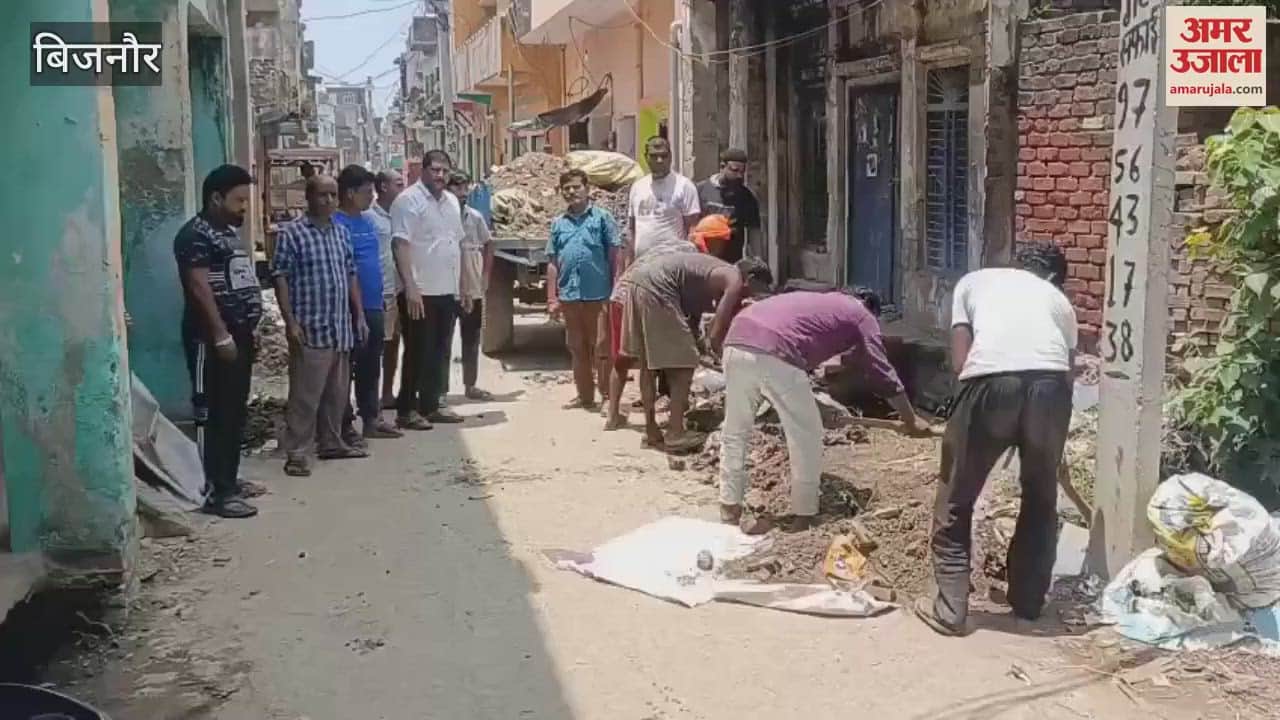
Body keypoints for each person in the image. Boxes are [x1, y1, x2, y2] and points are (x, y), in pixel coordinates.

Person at [916, 242, 1078, 637]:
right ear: (1054, 278)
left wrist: (982, 422)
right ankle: (1027, 604)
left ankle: (951, 609)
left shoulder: (975, 281)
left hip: (990, 382)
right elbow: (1066, 371)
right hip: (1051, 388)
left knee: (956, 495)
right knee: (1041, 497)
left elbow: (960, 362)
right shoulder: (1060, 302)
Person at [718, 288, 929, 533]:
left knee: (735, 430)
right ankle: (803, 517)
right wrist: (910, 419)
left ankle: (729, 506)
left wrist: (818, 406)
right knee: (806, 435)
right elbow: (880, 369)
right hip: (774, 350)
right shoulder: (862, 315)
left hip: (737, 338)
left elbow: (789, 373)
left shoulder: (821, 304)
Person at [606, 253, 772, 452]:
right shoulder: (734, 279)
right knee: (685, 365)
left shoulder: (711, 275)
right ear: (751, 279)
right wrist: (726, 361)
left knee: (648, 363)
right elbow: (715, 334)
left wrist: (697, 341)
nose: (749, 297)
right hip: (658, 287)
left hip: (638, 282)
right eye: (755, 291)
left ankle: (651, 431)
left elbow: (693, 316)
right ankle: (676, 433)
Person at [175, 164, 262, 519]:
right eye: (239, 200)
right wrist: (220, 333)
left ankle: (229, 479)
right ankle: (216, 492)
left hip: (236, 334)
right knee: (213, 412)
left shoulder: (224, 232)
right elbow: (198, 288)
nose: (244, 207)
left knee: (234, 410)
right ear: (215, 198)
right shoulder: (195, 235)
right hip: (210, 338)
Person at [271, 175, 370, 477]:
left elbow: (350, 273)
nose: (328, 201)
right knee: (305, 396)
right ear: (308, 198)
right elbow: (280, 277)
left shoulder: (341, 233)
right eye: (322, 195)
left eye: (332, 195)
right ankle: (297, 453)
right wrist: (290, 322)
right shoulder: (293, 234)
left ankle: (331, 442)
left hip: (339, 327)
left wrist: (359, 315)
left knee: (337, 394)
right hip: (310, 328)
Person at [391, 149, 466, 429]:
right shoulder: (408, 201)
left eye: (445, 171)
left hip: (445, 289)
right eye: (435, 170)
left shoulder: (450, 202)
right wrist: (410, 286)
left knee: (440, 350)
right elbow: (400, 244)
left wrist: (462, 287)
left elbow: (455, 244)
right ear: (422, 171)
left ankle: (432, 405)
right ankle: (406, 409)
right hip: (419, 291)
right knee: (417, 351)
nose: (440, 175)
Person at [335, 165, 402, 443]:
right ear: (350, 193)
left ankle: (372, 418)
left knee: (371, 365)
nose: (370, 197)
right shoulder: (337, 224)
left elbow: (378, 262)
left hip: (375, 303)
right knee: (345, 368)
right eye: (366, 192)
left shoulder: (368, 222)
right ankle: (344, 424)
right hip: (348, 308)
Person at [547, 168, 622, 410]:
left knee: (601, 348)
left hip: (598, 295)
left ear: (587, 189)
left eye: (576, 187)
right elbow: (553, 263)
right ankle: (584, 396)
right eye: (567, 188)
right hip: (570, 296)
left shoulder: (602, 218)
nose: (571, 191)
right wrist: (552, 298)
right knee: (577, 348)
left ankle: (608, 398)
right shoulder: (558, 224)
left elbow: (615, 255)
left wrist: (617, 290)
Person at [446, 171, 495, 402]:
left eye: (465, 190)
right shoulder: (441, 216)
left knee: (471, 337)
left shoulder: (474, 217)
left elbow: (488, 244)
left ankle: (470, 385)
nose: (462, 195)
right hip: (447, 287)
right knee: (443, 340)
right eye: (458, 189)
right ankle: (440, 390)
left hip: (472, 285)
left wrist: (485, 275)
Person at [368, 169, 406, 410]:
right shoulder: (370, 218)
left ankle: (387, 393)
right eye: (398, 184)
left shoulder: (401, 215)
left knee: (394, 344)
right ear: (383, 187)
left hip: (400, 289)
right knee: (376, 348)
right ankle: (370, 398)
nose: (402, 189)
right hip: (380, 291)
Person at [697, 148, 761, 263]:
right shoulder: (701, 190)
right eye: (735, 170)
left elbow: (754, 231)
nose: (739, 176)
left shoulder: (747, 197)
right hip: (704, 260)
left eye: (742, 172)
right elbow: (692, 223)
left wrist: (756, 259)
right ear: (722, 167)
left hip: (732, 262)